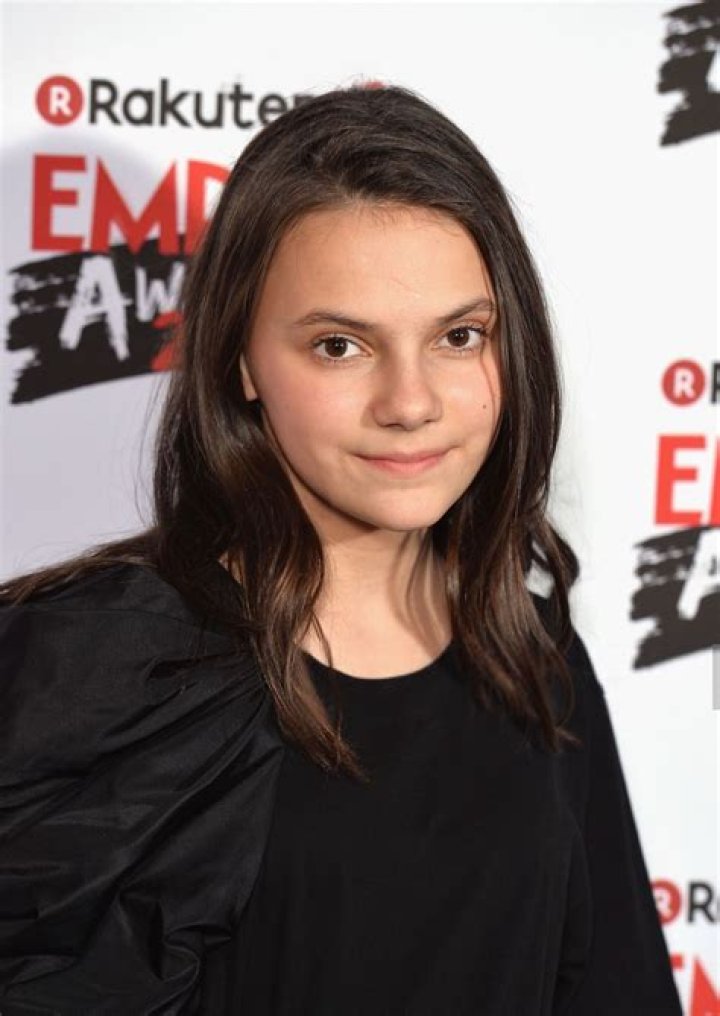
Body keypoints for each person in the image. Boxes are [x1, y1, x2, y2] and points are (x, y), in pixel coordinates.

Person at [0, 84, 682, 1015]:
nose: (410, 402)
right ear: (240, 358)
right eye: (339, 346)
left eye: (459, 336)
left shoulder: (538, 664)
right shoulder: (95, 667)